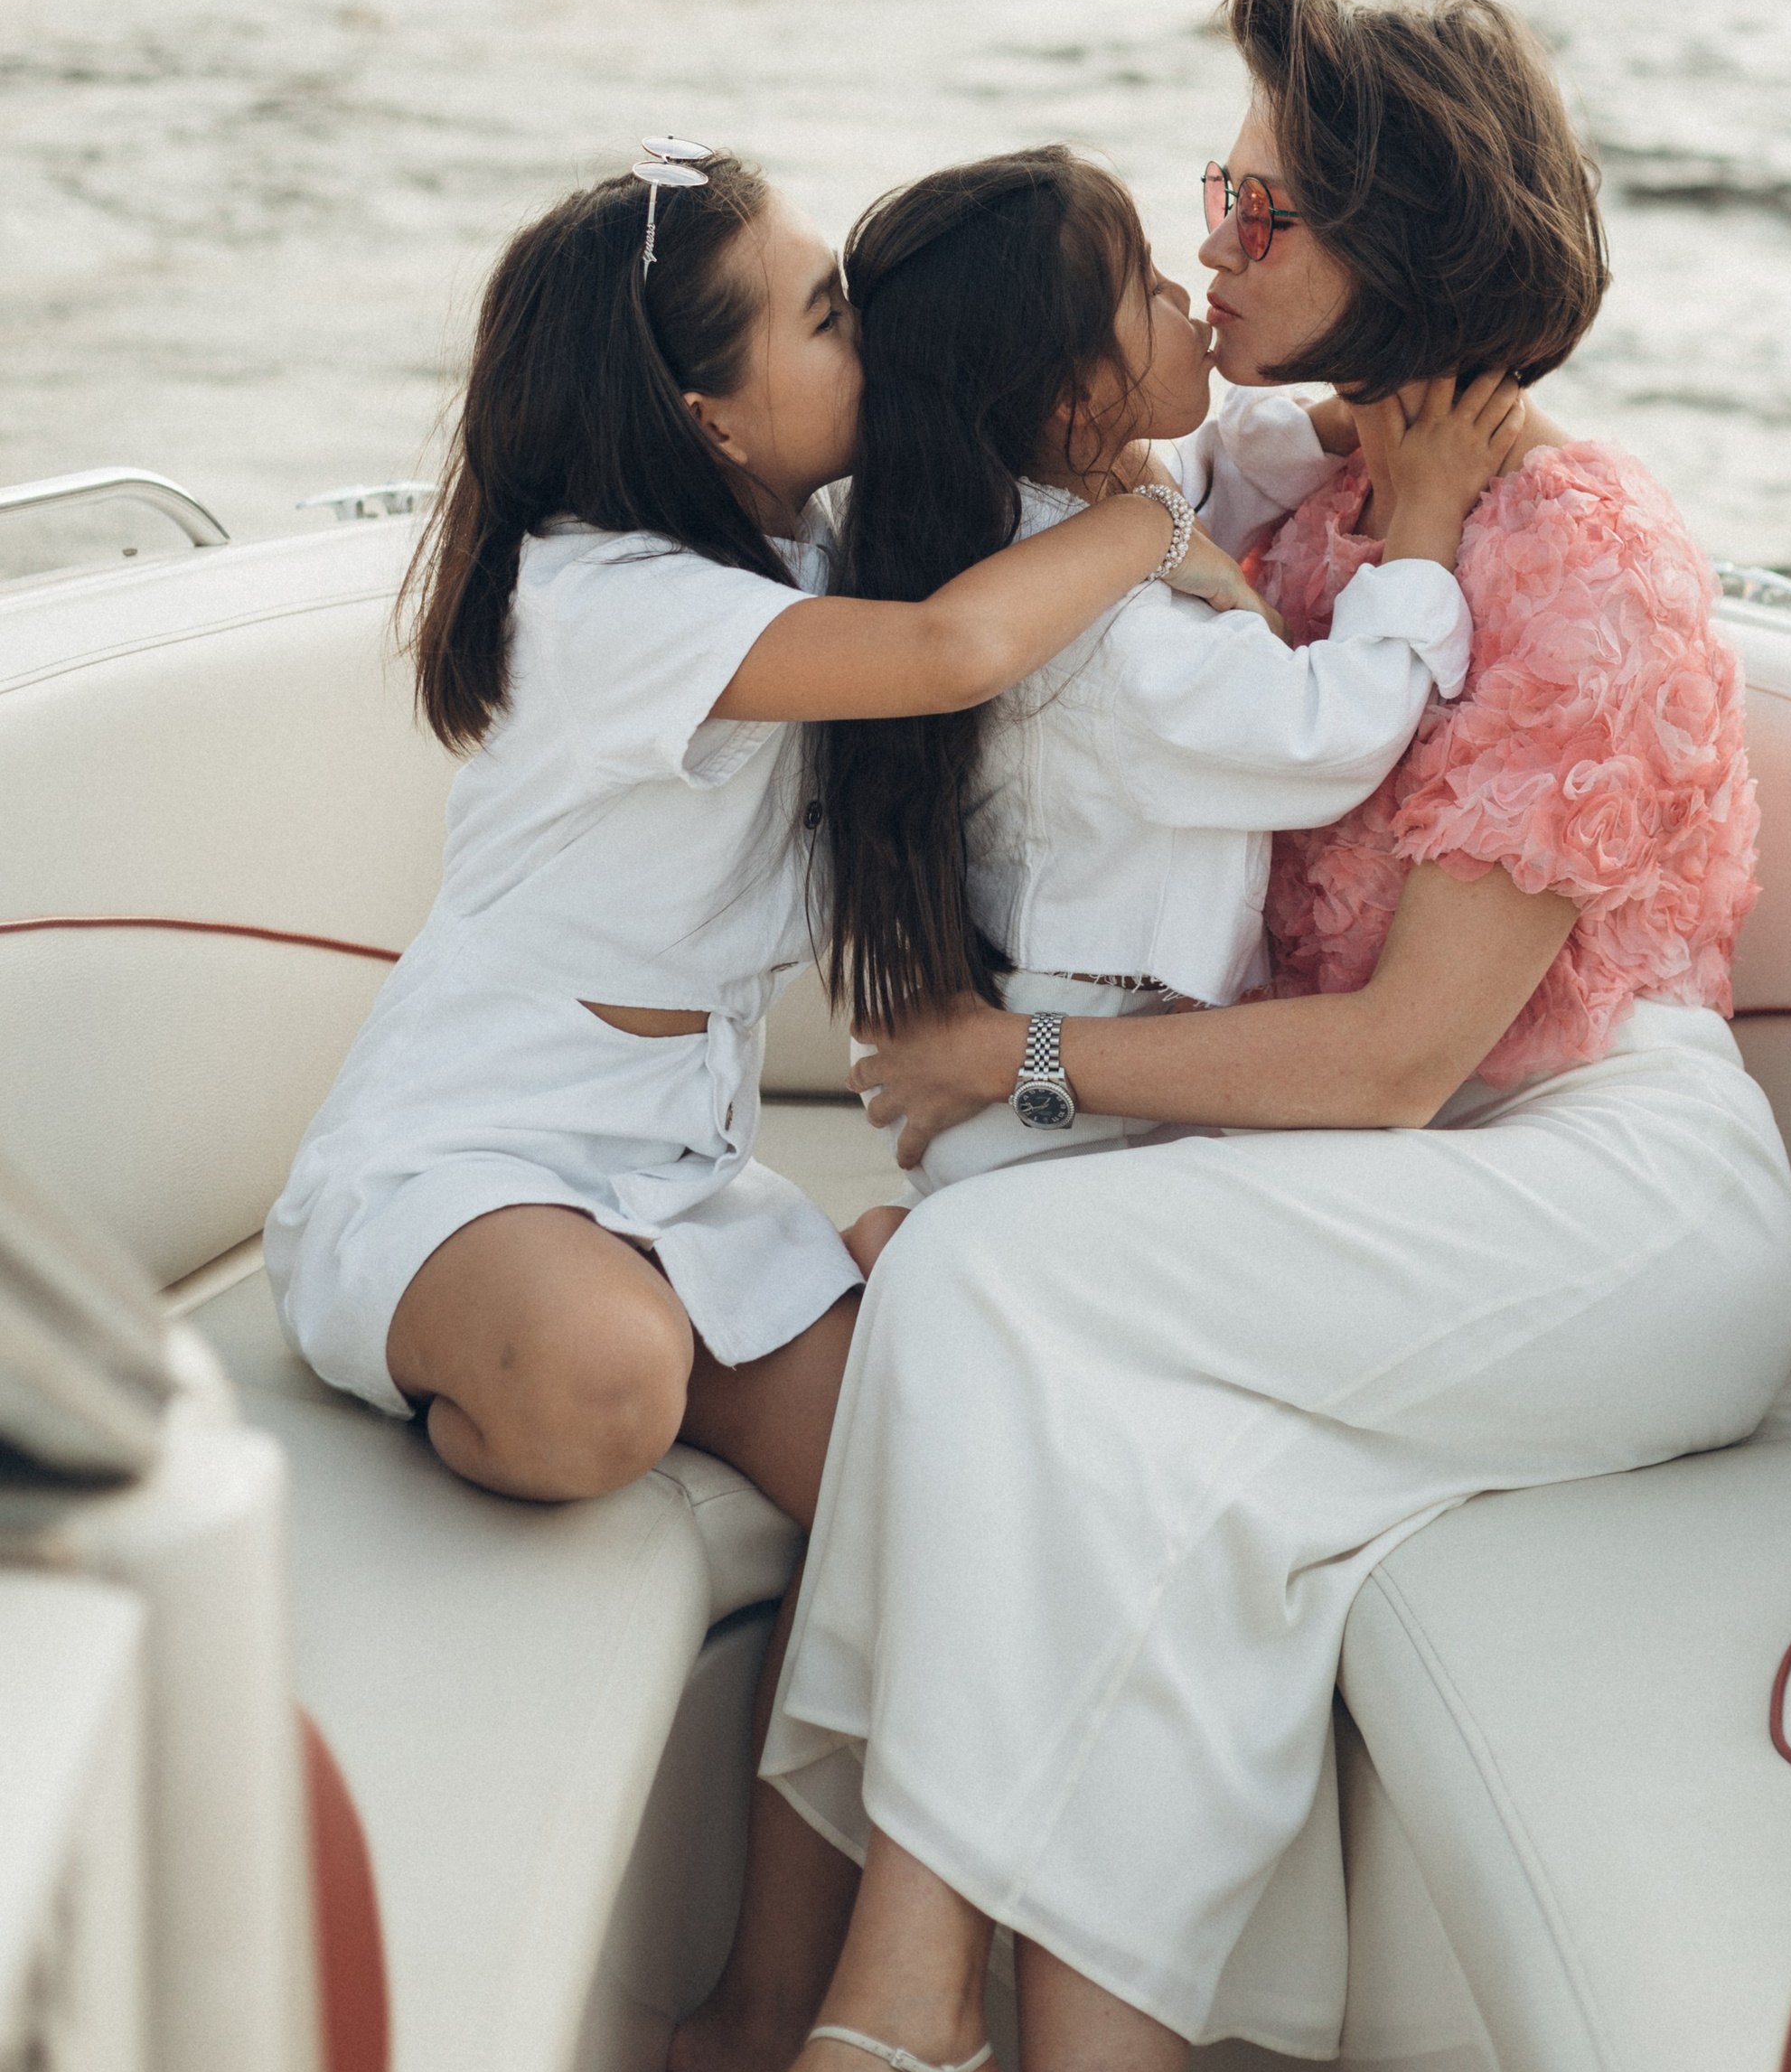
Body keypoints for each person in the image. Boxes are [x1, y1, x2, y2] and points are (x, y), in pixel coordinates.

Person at [675, 0, 1791, 2072]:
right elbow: (1010, 447)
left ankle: (880, 2004)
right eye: (1214, 192)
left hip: (1603, 1193)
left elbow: (1394, 1056)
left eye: (1258, 207)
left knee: (992, 1275)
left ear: (1411, 236)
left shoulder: (1579, 562)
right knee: (1087, 1416)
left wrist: (1011, 1062)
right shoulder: (1285, 500)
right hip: (1369, 1183)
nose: (1213, 242)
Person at [263, 143, 1272, 1530]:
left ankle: (705, 1314)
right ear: (714, 421)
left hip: (683, 1188)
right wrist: (1156, 528)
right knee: (601, 1381)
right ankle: (542, 1345)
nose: (873, 332)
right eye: (828, 316)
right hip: (469, 1164)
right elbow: (951, 648)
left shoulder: (800, 554)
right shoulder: (603, 601)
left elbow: (1051, 463)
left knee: (950, 1474)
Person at [808, 146, 1515, 1219]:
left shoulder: (1016, 505)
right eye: (1143, 284)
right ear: (1074, 398)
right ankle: (896, 1265)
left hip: (1077, 1068)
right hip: (1075, 1109)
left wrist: (1363, 421)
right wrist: (1422, 524)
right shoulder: (1113, 650)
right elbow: (1326, 736)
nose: (1185, 287)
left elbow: (1214, 463)